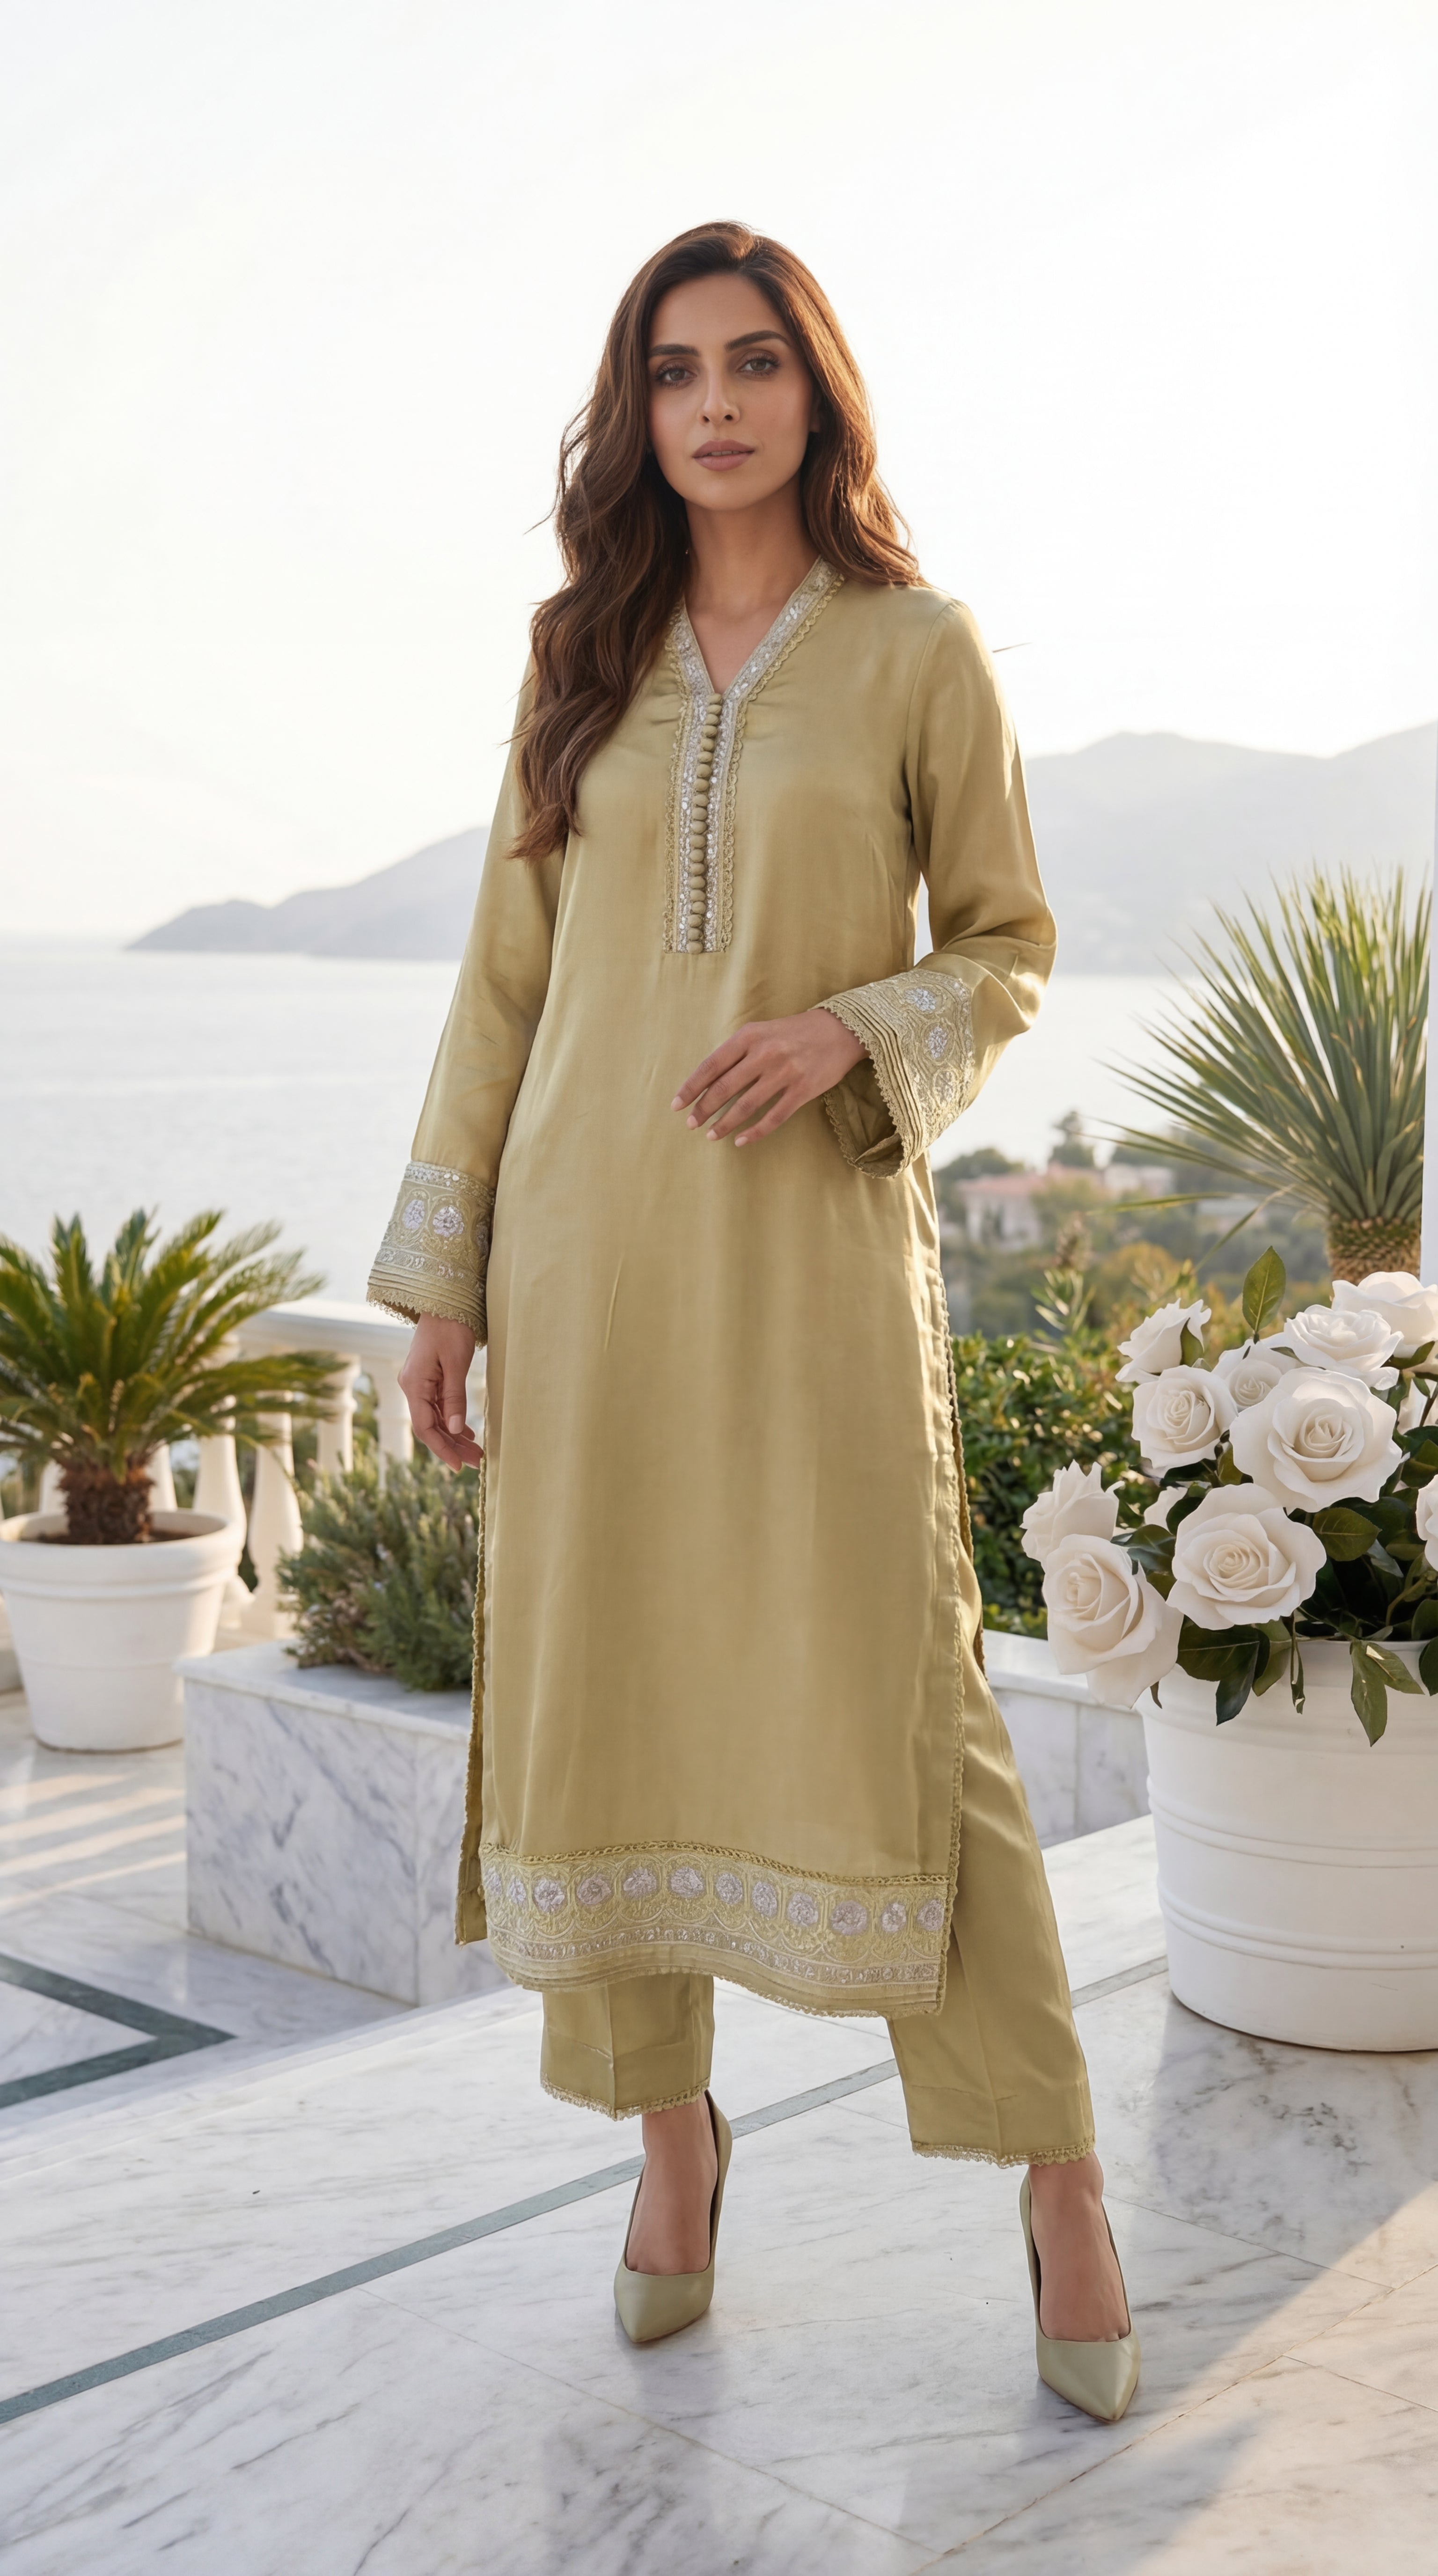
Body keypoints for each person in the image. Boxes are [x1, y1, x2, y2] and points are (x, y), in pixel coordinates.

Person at [372, 220, 1139, 2422]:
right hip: (584, 1260)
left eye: (754, 363)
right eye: (675, 369)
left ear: (818, 392)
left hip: (809, 1262)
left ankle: (1058, 2172)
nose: (713, 404)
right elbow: (503, 986)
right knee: (600, 1679)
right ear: (639, 410)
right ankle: (672, 2142)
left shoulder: (917, 651)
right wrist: (442, 1277)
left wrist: (844, 1029)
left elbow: (1005, 942)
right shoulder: (582, 654)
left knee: (908, 1699)